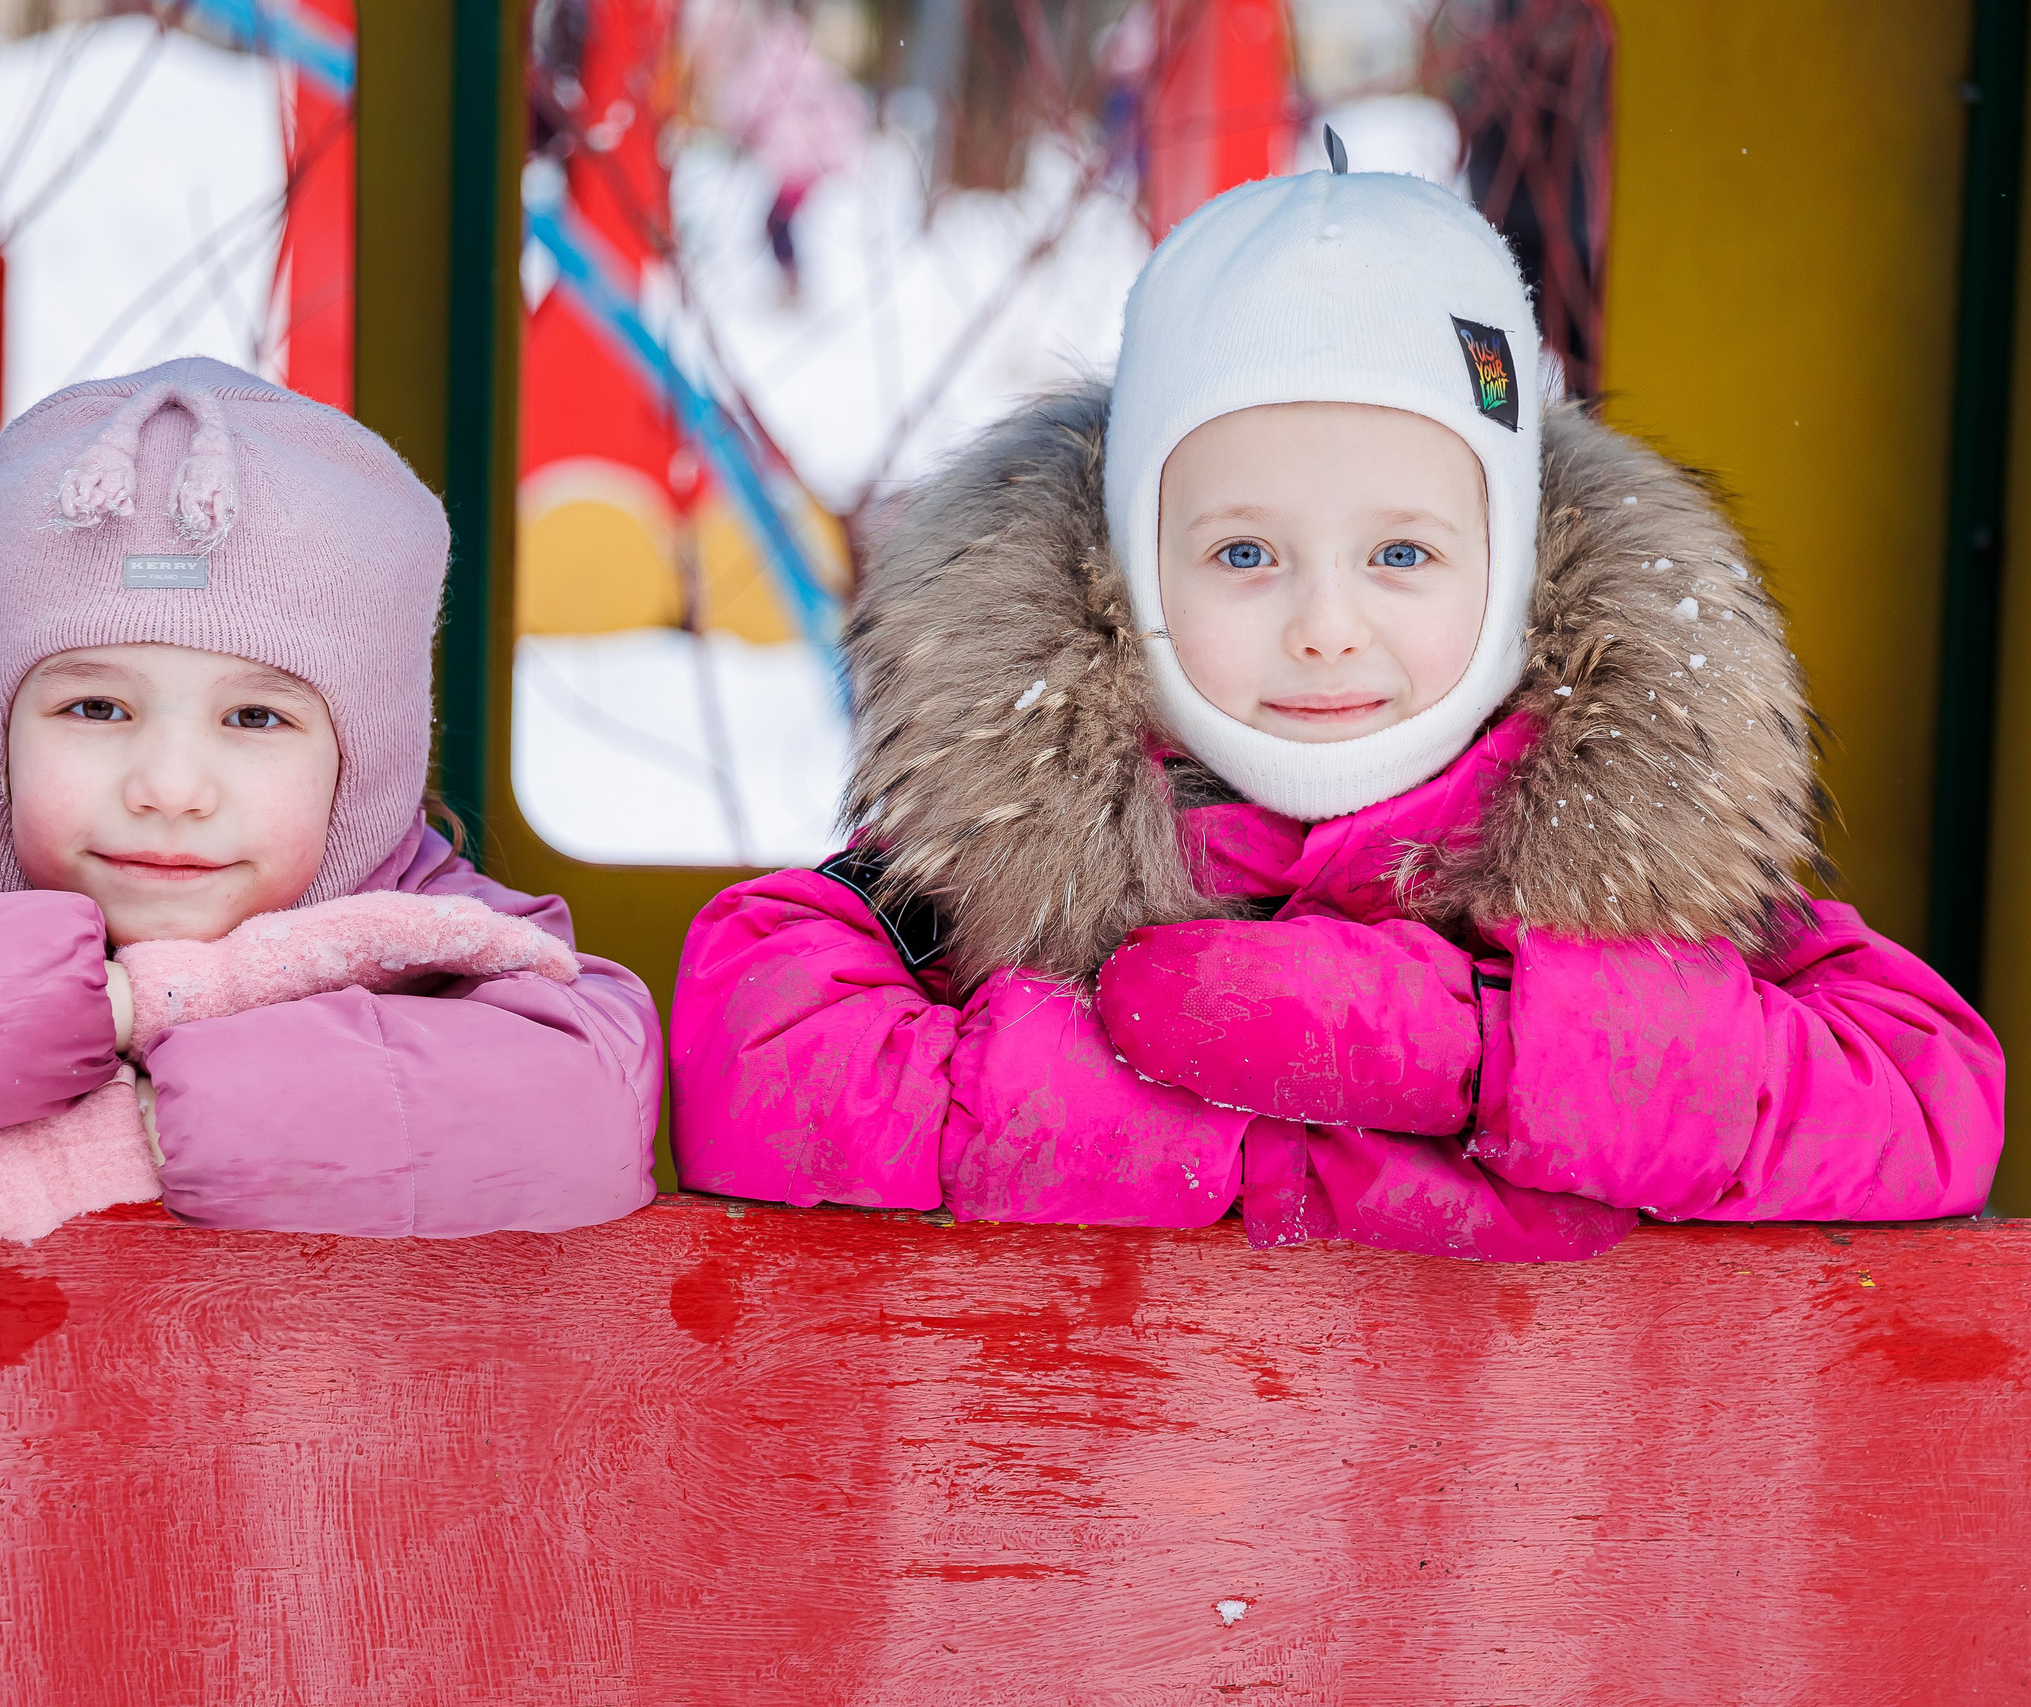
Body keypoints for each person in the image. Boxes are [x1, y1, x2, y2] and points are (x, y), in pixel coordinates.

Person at [669, 168, 2003, 1260]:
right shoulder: (1015, 837)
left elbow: (1925, 1093)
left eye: (1403, 556)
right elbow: (757, 1048)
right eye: (1243, 554)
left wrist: (1463, 1055)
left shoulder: (1633, 846)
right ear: (1127, 563)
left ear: (1516, 567)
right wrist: (1246, 1133)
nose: (1324, 622)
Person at [0, 359, 663, 1366]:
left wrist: (115, 1141)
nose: (170, 786)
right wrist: (144, 999)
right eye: (95, 707)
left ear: (362, 761)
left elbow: (590, 1100)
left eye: (255, 716)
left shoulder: (421, 919)